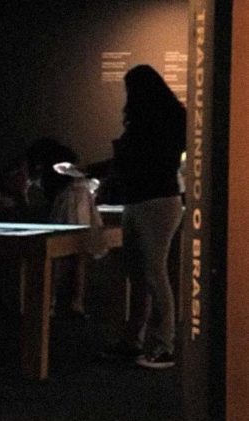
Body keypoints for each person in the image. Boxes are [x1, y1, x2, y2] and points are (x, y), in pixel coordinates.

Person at [102, 64, 186, 369]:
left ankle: (164, 345)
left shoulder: (157, 122)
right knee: (142, 274)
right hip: (146, 200)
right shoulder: (172, 118)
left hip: (154, 201)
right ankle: (136, 340)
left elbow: (138, 158)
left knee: (152, 273)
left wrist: (96, 169)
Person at [26, 137, 107, 318]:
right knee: (78, 259)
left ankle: (53, 302)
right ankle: (74, 303)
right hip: (82, 216)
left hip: (68, 215)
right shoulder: (80, 184)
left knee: (59, 259)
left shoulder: (66, 188)